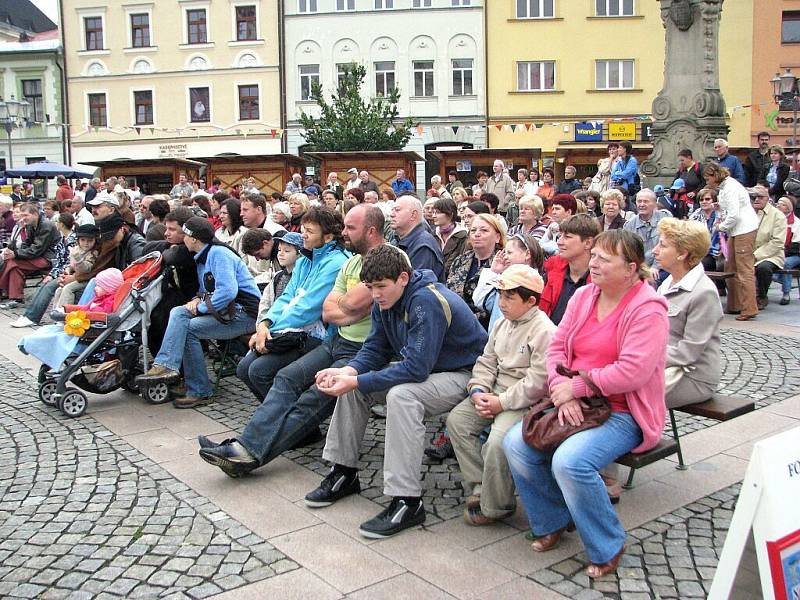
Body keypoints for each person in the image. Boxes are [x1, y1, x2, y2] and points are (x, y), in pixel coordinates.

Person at [503, 229, 669, 579]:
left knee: (571, 462)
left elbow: (633, 371)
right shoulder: (583, 297)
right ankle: (552, 519)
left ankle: (607, 542)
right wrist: (562, 387)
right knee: (515, 444)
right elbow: (557, 347)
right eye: (594, 257)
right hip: (572, 400)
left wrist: (575, 388)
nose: (593, 264)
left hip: (624, 411)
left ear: (630, 268)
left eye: (604, 260)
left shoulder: (648, 309)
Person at [304, 244, 488, 539]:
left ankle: (407, 501)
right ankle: (343, 472)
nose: (375, 295)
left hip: (465, 375)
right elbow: (375, 348)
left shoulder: (425, 301)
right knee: (352, 388)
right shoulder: (387, 300)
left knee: (402, 396)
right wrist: (348, 372)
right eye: (370, 287)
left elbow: (416, 368)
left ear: (403, 277)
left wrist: (358, 380)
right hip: (432, 370)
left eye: (381, 287)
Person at [197, 205, 384, 476]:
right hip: (338, 341)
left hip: (361, 349)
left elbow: (326, 307)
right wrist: (265, 324)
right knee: (284, 378)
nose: (344, 233)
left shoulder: (365, 260)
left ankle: (249, 454)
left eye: (350, 228)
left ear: (370, 231)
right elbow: (325, 308)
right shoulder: (350, 262)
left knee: (309, 396)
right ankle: (247, 446)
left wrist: (342, 309)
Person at [448, 264, 555, 526]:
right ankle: (481, 485)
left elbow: (537, 382)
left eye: (509, 297)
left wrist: (501, 403)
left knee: (497, 443)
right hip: (493, 392)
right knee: (457, 422)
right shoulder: (502, 324)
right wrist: (478, 390)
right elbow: (487, 361)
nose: (502, 303)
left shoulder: (545, 331)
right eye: (500, 295)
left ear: (530, 301)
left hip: (523, 401)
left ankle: (497, 506)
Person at [136, 217, 262, 408]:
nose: (182, 239)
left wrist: (201, 307)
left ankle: (200, 390)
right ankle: (166, 365)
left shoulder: (218, 254)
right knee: (179, 312)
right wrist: (197, 299)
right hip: (228, 311)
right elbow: (208, 290)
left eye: (185, 235)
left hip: (245, 314)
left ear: (194, 239)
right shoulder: (205, 255)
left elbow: (227, 291)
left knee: (189, 329)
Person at [236, 207, 350, 402]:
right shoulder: (306, 259)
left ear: (329, 237)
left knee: (258, 371)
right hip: (294, 330)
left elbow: (308, 307)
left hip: (320, 335)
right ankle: (282, 421)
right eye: (303, 228)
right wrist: (265, 324)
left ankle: (297, 427)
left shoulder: (336, 263)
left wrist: (270, 331)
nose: (303, 234)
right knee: (244, 369)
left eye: (310, 231)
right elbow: (288, 296)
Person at [653, 218, 722, 408]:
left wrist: (644, 357)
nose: (655, 251)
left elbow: (688, 352)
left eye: (663, 245)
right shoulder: (667, 283)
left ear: (682, 254)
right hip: (661, 367)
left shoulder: (703, 292)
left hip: (692, 377)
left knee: (624, 396)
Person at [703, 163, 759, 320]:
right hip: (737, 231)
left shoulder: (730, 188)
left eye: (708, 178)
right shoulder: (725, 187)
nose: (707, 182)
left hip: (744, 230)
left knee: (744, 270)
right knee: (730, 267)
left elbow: (734, 215)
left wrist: (720, 227)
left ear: (715, 176)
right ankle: (735, 305)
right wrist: (718, 206)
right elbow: (730, 208)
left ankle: (749, 308)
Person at [472, 232, 545, 332]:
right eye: (505, 252)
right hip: (498, 339)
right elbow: (480, 301)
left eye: (509, 253)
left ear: (527, 254)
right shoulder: (504, 279)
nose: (505, 257)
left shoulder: (536, 284)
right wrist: (493, 272)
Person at [539, 214, 600, 326]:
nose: (559, 242)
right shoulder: (551, 271)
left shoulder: (602, 282)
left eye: (567, 237)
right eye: (560, 236)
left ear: (588, 243)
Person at [447, 214, 505, 328]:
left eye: (484, 230)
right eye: (473, 230)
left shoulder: (503, 263)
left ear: (497, 237)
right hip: (455, 323)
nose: (477, 234)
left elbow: (499, 303)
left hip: (486, 327)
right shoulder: (460, 260)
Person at [0, 203, 59, 309]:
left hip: (48, 258)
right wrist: (20, 229)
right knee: (13, 265)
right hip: (38, 256)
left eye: (25, 215)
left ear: (35, 214)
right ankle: (16, 298)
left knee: (12, 262)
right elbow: (26, 244)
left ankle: (6, 291)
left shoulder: (46, 225)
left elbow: (37, 249)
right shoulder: (30, 224)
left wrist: (16, 254)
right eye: (22, 215)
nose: (23, 218)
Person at [749, 185, 788, 310]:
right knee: (726, 264)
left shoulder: (778, 216)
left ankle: (761, 296)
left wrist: (756, 256)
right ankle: (740, 297)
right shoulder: (747, 213)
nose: (756, 200)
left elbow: (777, 242)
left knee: (763, 268)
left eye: (760, 197)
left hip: (772, 255)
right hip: (749, 252)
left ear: (768, 198)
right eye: (753, 197)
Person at [390, 194, 444, 281]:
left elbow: (417, 286)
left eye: (397, 210)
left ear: (413, 215)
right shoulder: (396, 241)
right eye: (392, 210)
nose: (392, 214)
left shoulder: (423, 246)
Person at [623, 189, 667, 282]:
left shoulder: (665, 220)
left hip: (662, 267)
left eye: (646, 201)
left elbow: (667, 247)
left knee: (655, 279)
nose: (642, 204)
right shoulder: (629, 225)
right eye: (639, 201)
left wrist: (655, 267)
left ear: (654, 204)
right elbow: (628, 251)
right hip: (639, 268)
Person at [689, 188, 724, 290]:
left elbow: (727, 235)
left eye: (707, 199)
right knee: (700, 263)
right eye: (701, 199)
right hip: (702, 251)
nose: (704, 202)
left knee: (723, 264)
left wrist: (723, 249)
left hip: (721, 251)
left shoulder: (721, 214)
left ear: (714, 200)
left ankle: (721, 287)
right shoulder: (694, 216)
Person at [432, 197, 467, 276]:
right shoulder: (432, 235)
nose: (433, 216)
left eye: (437, 212)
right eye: (433, 212)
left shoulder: (462, 236)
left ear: (450, 214)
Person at [775, 197, 800, 305]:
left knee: (785, 263)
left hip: (794, 254)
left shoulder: (796, 223)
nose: (779, 206)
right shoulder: (775, 220)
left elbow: (795, 246)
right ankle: (760, 292)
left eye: (783, 204)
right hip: (777, 251)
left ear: (789, 208)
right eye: (778, 204)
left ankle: (786, 293)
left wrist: (780, 252)